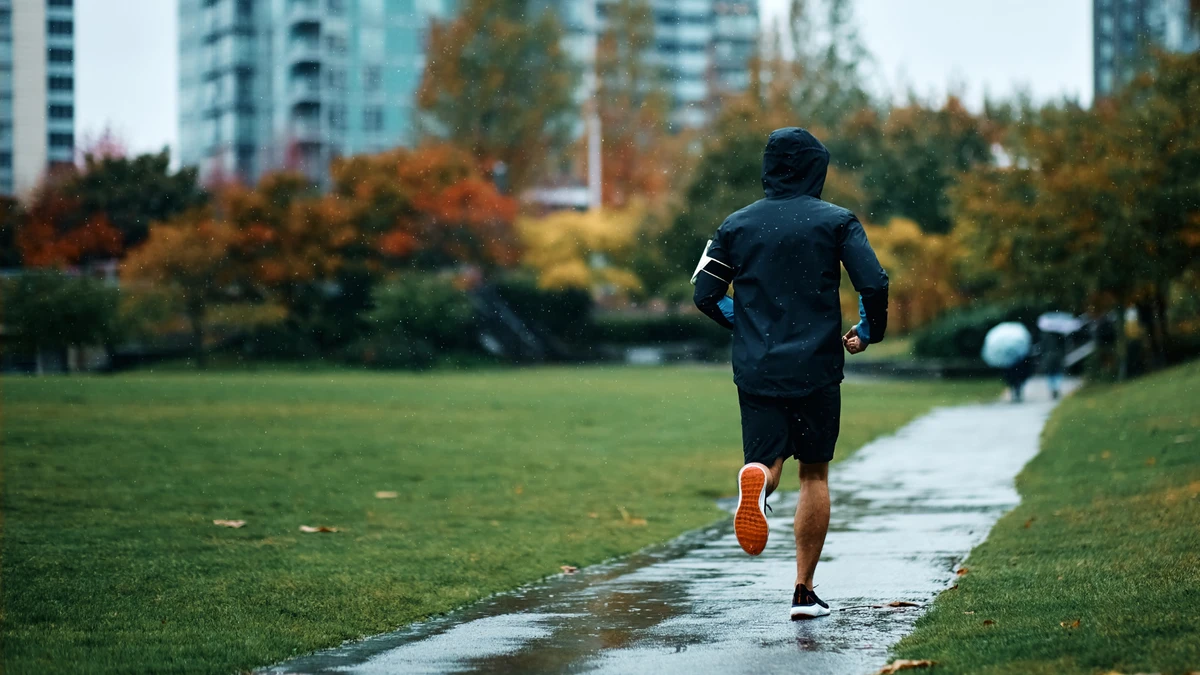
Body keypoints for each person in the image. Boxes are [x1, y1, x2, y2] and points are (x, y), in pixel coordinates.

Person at [692, 127, 889, 621]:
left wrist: (745, 324)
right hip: (817, 366)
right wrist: (867, 331)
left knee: (768, 462)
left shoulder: (735, 225)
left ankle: (757, 477)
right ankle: (803, 591)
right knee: (815, 472)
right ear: (816, 169)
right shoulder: (838, 222)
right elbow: (874, 281)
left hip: (757, 365)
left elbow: (704, 293)